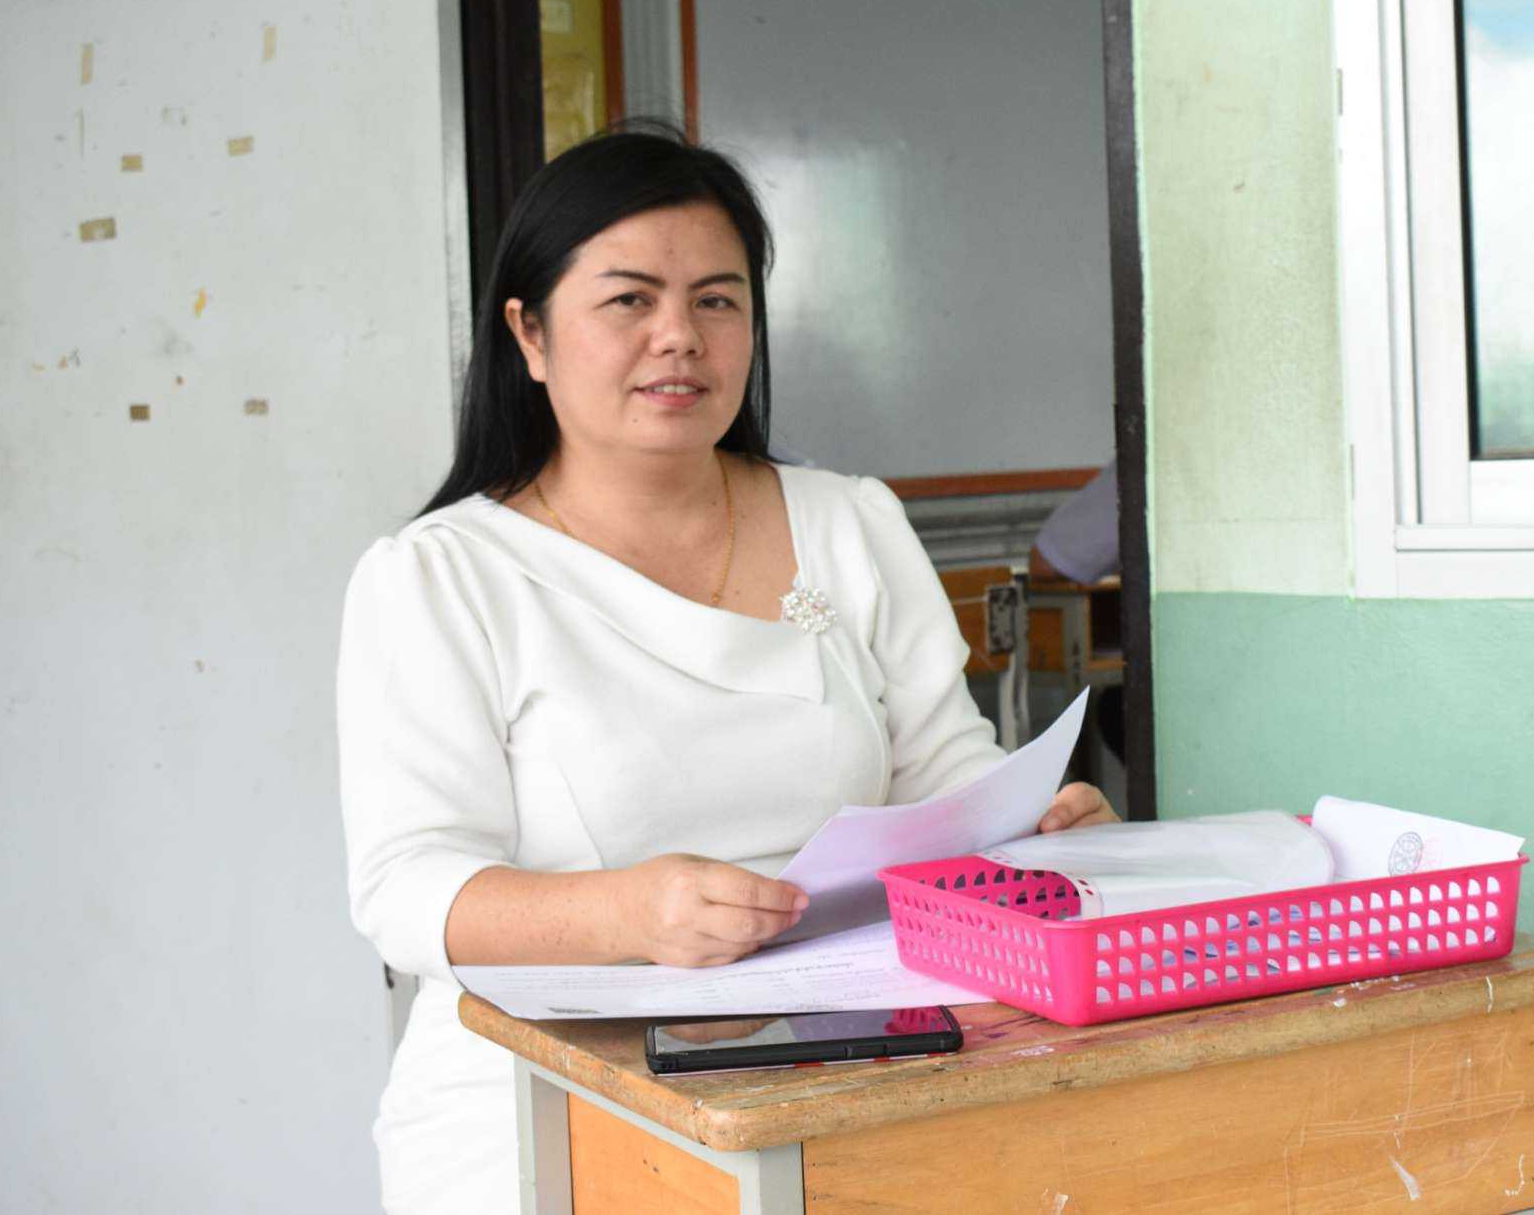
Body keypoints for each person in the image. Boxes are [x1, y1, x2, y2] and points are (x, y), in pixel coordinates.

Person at [337, 127, 1116, 1214]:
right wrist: (627, 914)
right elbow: (407, 886)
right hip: (539, 1111)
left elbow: (940, 769)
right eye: (629, 300)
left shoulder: (849, 522)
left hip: (843, 1079)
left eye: (717, 299)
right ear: (529, 334)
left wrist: (1025, 825)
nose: (680, 337)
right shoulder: (440, 576)